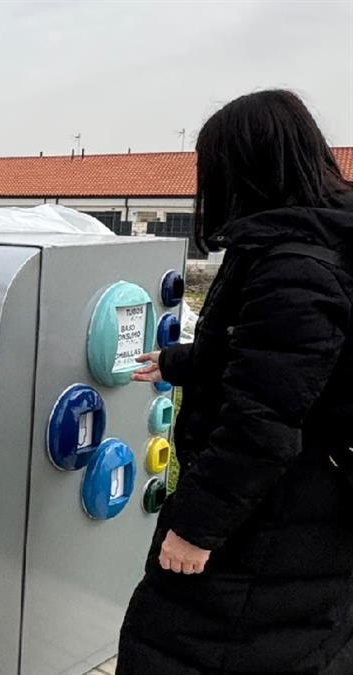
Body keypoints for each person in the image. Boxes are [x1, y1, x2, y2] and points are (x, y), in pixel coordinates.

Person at [118, 90, 353, 673]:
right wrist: (177, 363)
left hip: (266, 533)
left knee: (181, 645)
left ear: (244, 168)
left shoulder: (295, 264)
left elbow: (262, 423)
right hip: (302, 523)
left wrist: (194, 530)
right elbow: (273, 362)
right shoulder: (311, 244)